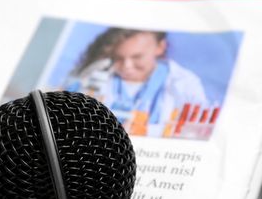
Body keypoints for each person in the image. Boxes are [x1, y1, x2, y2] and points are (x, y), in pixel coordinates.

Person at [64, 28, 207, 133]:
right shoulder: (93, 76)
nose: (127, 66)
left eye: (137, 57)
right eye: (118, 58)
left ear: (160, 47)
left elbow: (196, 130)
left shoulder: (185, 84)